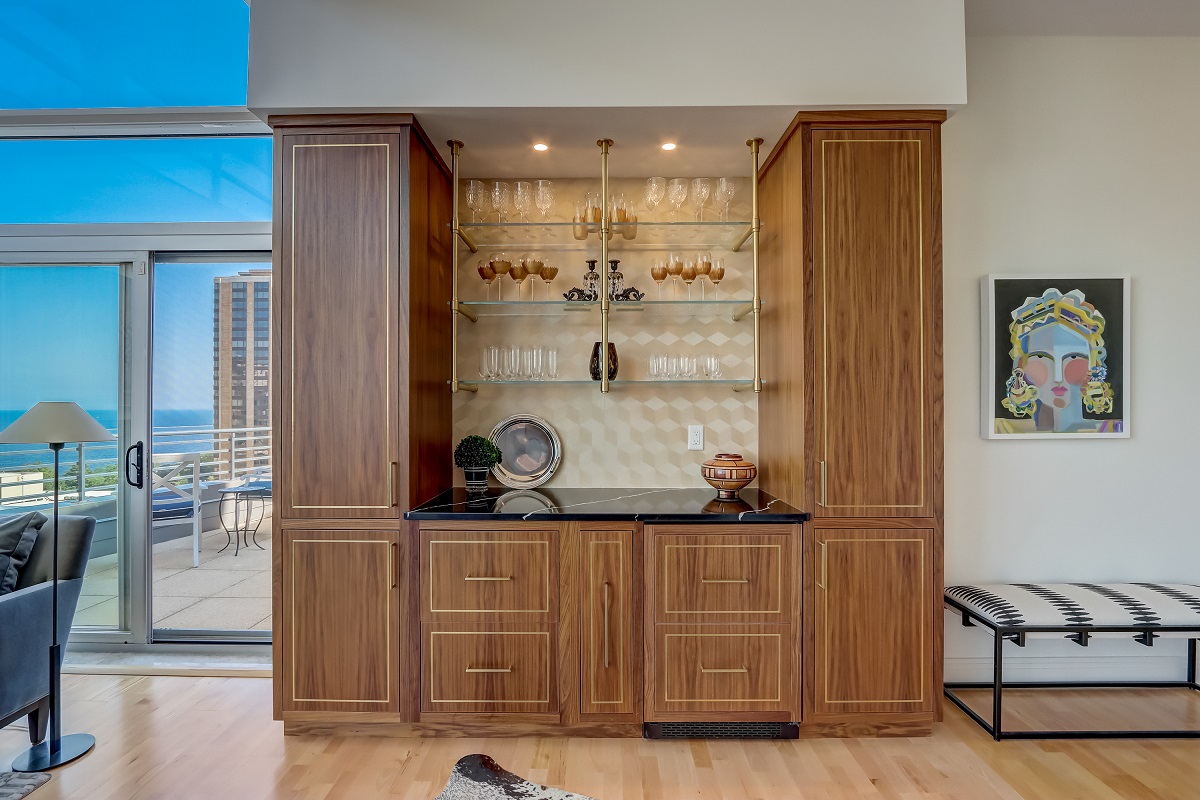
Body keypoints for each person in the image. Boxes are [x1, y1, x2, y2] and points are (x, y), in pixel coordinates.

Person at [996, 288, 1116, 434]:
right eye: (1041, 357)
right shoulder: (1001, 430)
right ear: (1021, 365)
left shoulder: (1112, 430)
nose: (1058, 377)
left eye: (1073, 357)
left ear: (1094, 364)